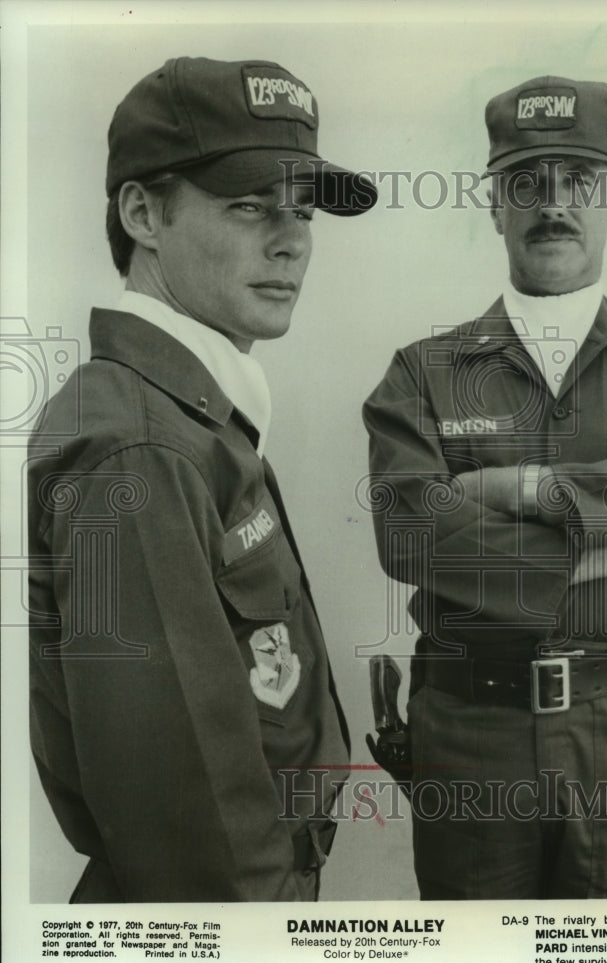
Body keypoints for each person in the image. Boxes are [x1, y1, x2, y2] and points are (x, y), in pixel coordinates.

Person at [363, 75, 607, 899]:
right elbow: (409, 535)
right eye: (527, 181)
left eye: (579, 180)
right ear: (493, 201)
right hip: (471, 735)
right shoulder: (423, 374)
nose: (554, 203)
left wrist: (526, 488)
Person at [28, 56, 377, 903]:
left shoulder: (187, 412)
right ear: (143, 213)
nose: (291, 238)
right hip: (227, 919)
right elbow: (188, 828)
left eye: (301, 210)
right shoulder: (140, 447)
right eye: (250, 204)